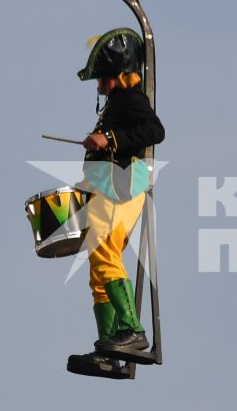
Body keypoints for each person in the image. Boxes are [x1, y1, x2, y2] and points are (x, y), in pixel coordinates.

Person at [65, 28, 165, 377]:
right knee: (98, 266)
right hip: (106, 189)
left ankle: (131, 331)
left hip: (122, 186)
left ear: (118, 74)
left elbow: (155, 131)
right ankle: (109, 345)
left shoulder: (130, 98)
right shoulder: (116, 103)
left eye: (103, 78)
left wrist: (108, 138)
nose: (99, 85)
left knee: (106, 251)